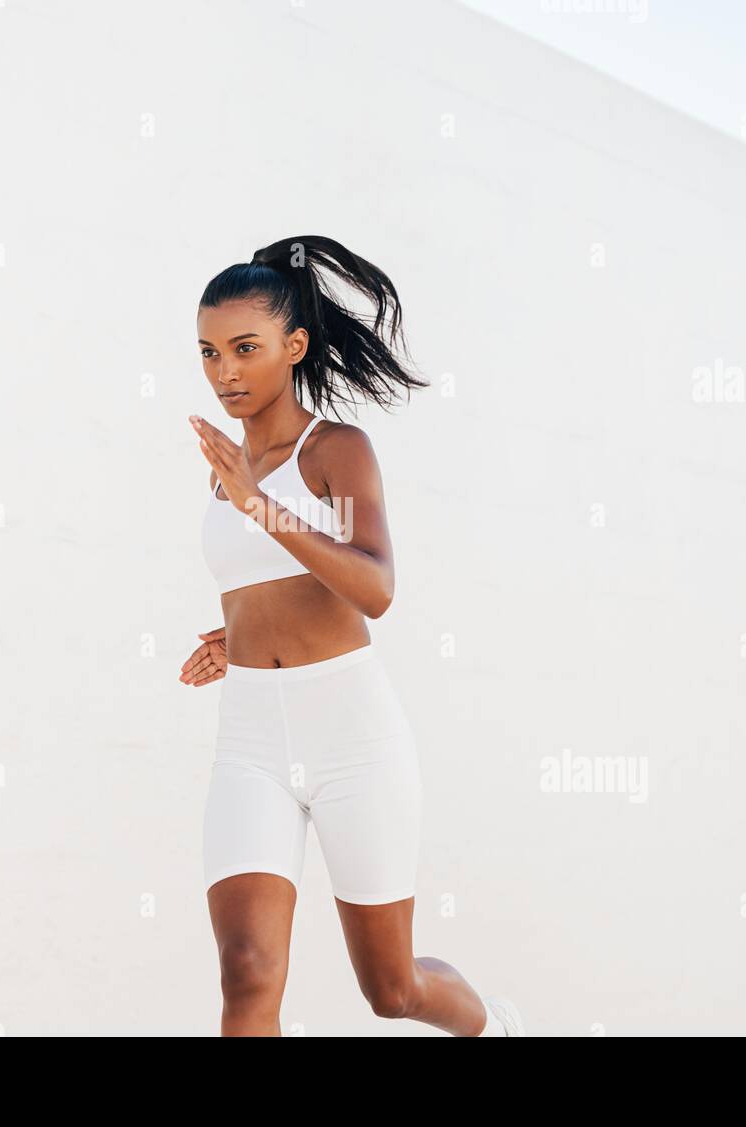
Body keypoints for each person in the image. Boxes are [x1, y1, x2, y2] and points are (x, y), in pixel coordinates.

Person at [181, 235, 524, 1038]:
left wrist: (257, 502)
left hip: (351, 734)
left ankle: (499, 1027)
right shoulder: (226, 465)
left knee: (392, 987)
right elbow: (276, 581)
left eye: (244, 349)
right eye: (207, 352)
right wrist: (242, 635)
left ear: (293, 347)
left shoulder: (336, 450)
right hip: (252, 736)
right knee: (247, 971)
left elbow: (374, 585)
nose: (224, 371)